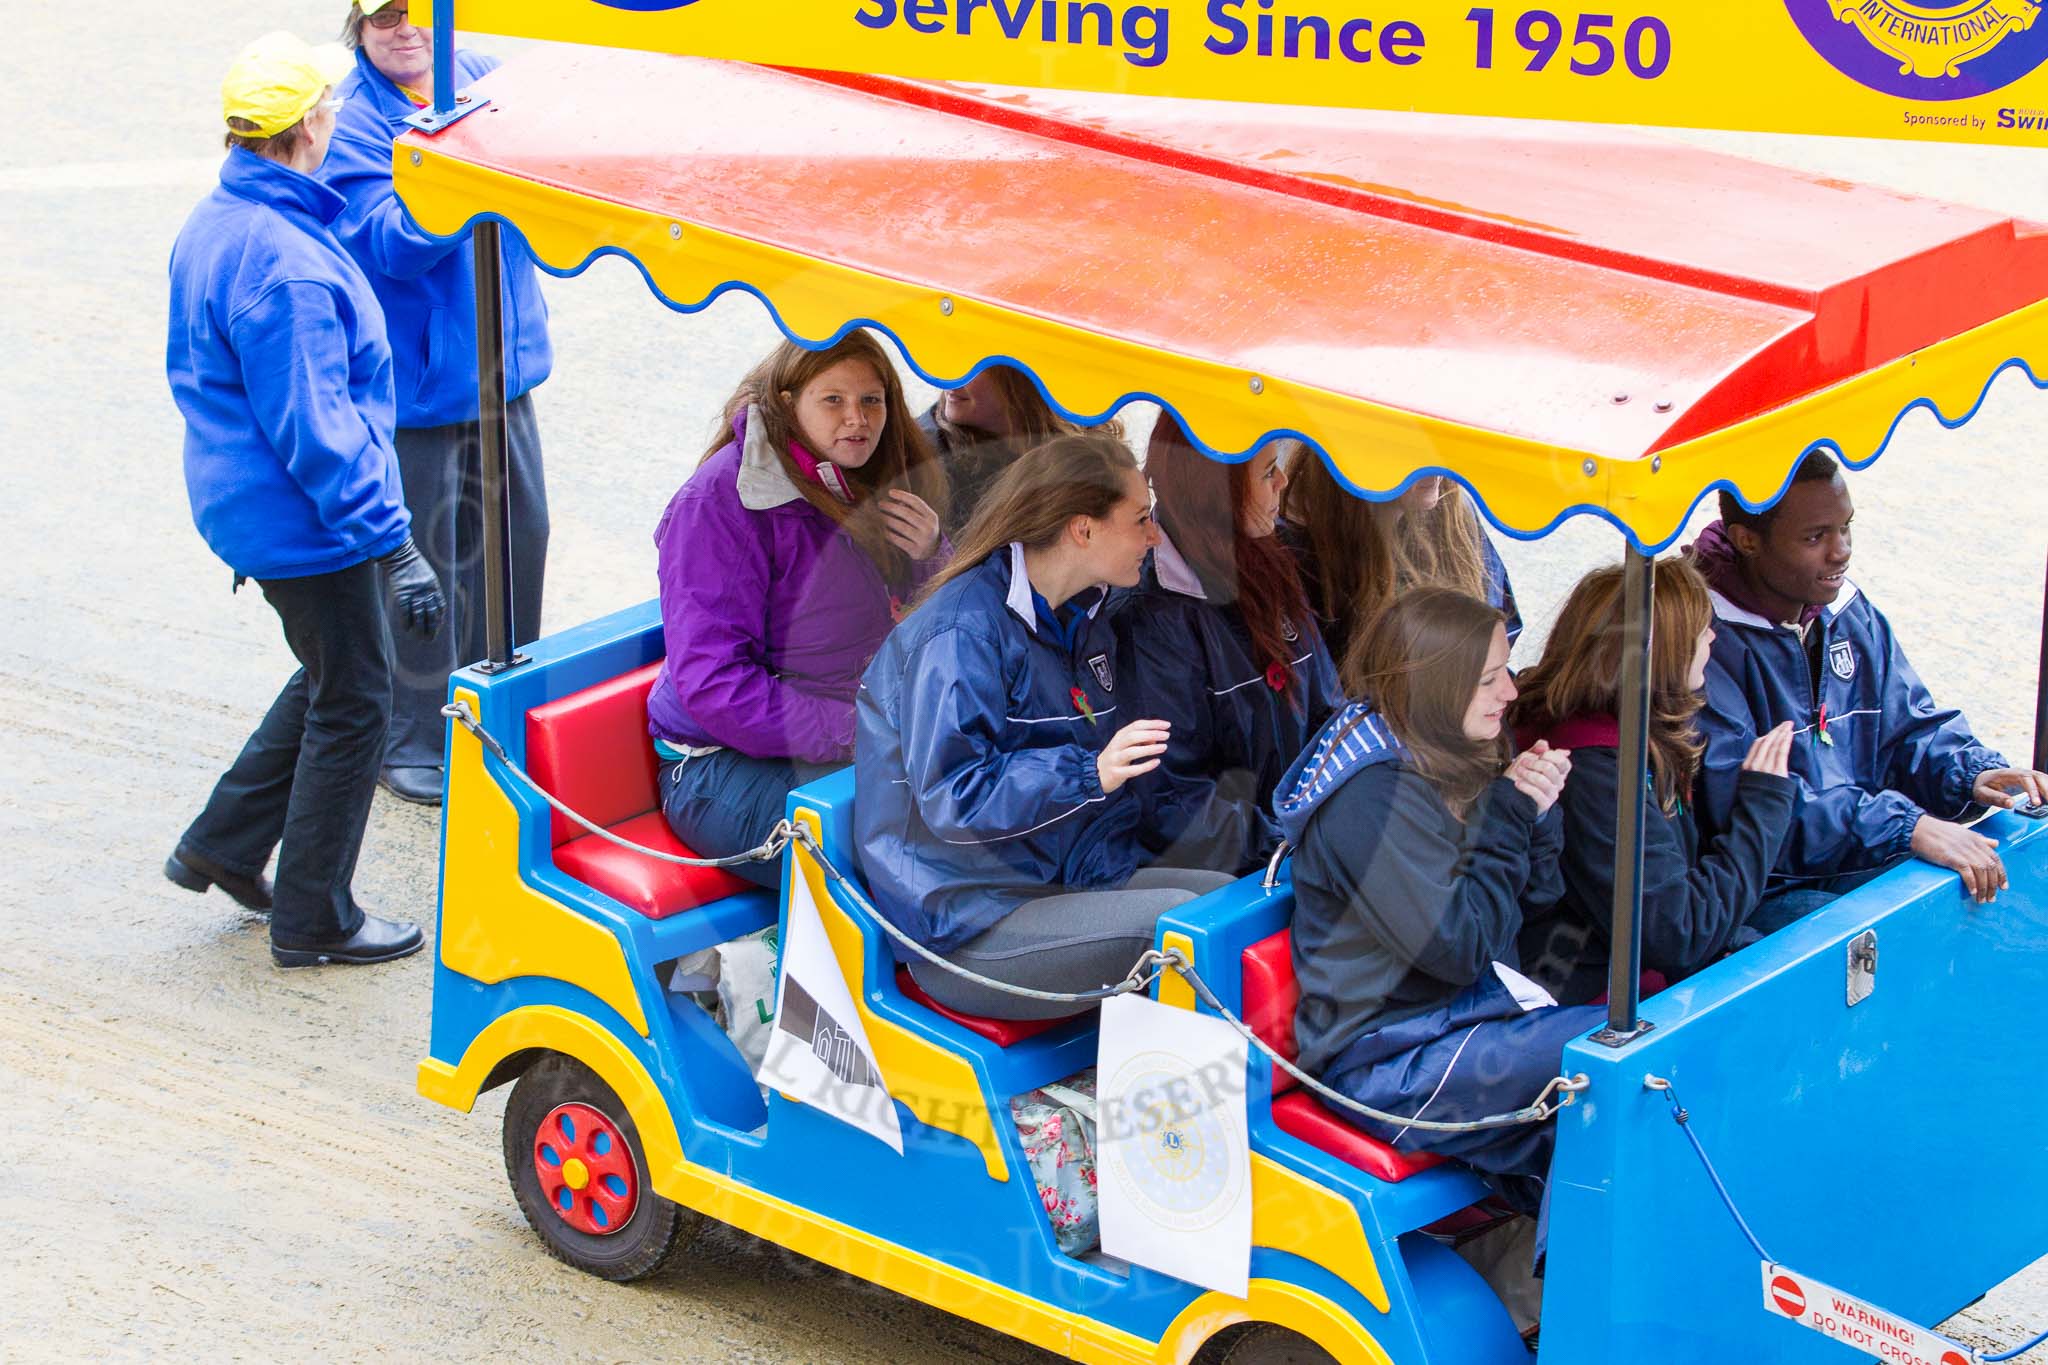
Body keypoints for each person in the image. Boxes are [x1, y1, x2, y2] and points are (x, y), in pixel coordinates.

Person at [163, 33, 445, 968]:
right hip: (303, 520)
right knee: (357, 700)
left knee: (332, 668)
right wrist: (393, 541)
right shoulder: (284, 264)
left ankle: (225, 844)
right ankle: (315, 915)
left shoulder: (223, 217)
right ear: (311, 124)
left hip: (251, 500)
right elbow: (317, 431)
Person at [857, 435, 1232, 1020]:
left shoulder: (1083, 615)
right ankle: (1183, 1105)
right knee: (1185, 936)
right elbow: (954, 799)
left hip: (1059, 883)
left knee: (1232, 907)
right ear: (1083, 530)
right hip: (969, 926)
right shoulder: (961, 635)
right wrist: (1090, 773)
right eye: (1140, 520)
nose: (1155, 536)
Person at [1272, 587, 1595, 1219]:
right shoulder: (1371, 798)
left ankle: (1575, 1293)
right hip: (1383, 1062)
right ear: (1436, 685)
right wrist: (1510, 814)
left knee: (1611, 1107)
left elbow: (1535, 906)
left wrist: (1537, 816)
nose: (1510, 693)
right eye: (1488, 680)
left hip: (1457, 1019)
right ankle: (1585, 1304)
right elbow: (1459, 947)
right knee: (1607, 1060)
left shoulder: (1441, 750)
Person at [322, 0, 554, 807]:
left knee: (519, 543)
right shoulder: (353, 126)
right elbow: (385, 241)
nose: (404, 27)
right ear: (357, 26)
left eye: (416, 8)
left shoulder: (486, 77)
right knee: (429, 571)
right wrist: (464, 185)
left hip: (503, 375)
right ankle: (413, 737)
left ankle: (503, 716)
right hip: (419, 398)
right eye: (383, 15)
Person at [1690, 449, 2048, 915]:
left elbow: (1908, 727)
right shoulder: (1700, 640)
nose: (1841, 550)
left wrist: (1970, 772)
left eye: (1845, 527)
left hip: (1863, 854)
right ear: (1747, 540)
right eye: (1815, 536)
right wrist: (1909, 828)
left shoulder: (1847, 610)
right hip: (1762, 891)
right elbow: (1746, 804)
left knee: (2007, 891)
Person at [649, 333, 947, 888]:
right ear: (788, 404)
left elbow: (938, 622)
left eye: (872, 401)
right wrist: (858, 730)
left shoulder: (857, 476)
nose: (856, 419)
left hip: (848, 736)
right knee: (906, 854)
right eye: (833, 400)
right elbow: (714, 683)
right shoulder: (716, 504)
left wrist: (933, 556)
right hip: (716, 769)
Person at [1510, 560, 1798, 1004]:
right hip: (1596, 1000)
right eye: (1702, 631)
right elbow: (1680, 934)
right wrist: (1762, 810)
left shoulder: (1615, 731)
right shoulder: (1594, 772)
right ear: (1663, 652)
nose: (1713, 639)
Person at [1117, 420, 1340, 873]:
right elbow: (1172, 799)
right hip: (1235, 871)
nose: (1283, 482)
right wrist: (1289, 842)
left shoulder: (1272, 560)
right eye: (1267, 472)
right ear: (1214, 490)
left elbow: (1328, 712)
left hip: (1300, 842)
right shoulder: (1152, 614)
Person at [1280, 452, 1520, 667]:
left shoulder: (1453, 513)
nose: (1438, 463)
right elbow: (1322, 693)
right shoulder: (1300, 547)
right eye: (1417, 448)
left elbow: (1498, 626)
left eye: (1441, 442)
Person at [917, 364, 1116, 539]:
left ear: (1018, 375)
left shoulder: (1079, 442)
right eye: (951, 359)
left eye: (972, 365)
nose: (950, 378)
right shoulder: (926, 459)